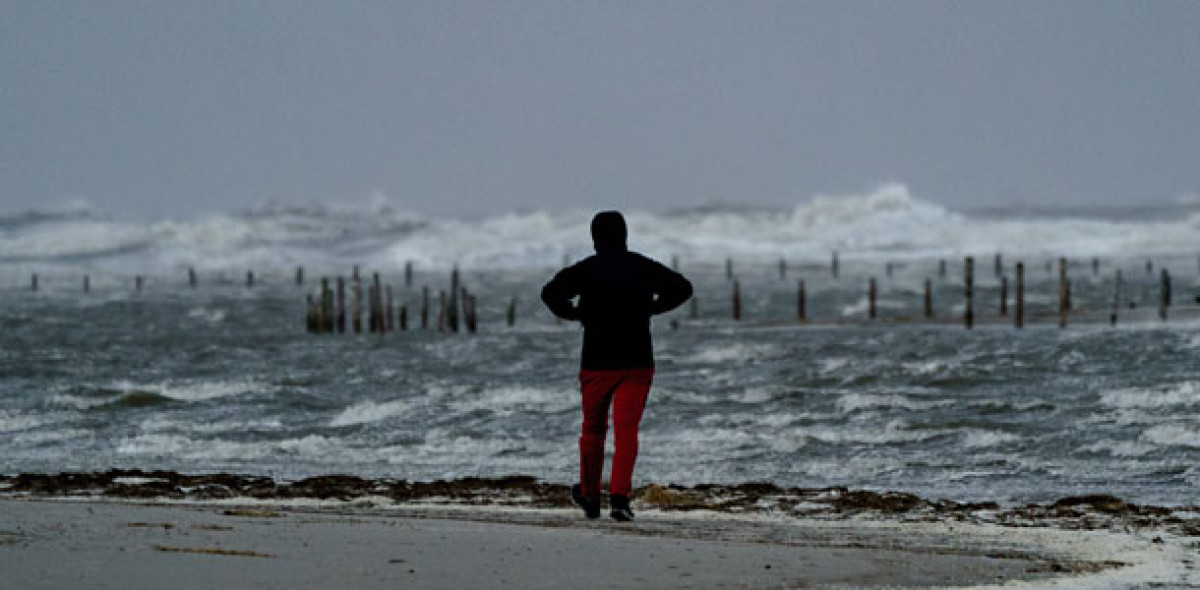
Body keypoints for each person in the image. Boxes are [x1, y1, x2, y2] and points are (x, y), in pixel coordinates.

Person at [541, 210, 693, 521]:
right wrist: (651, 308)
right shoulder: (641, 266)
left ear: (594, 239)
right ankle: (621, 500)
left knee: (593, 430)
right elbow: (682, 288)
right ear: (624, 236)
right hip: (637, 362)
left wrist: (575, 314)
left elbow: (550, 293)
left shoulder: (586, 270)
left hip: (596, 364)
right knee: (627, 433)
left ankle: (590, 496)